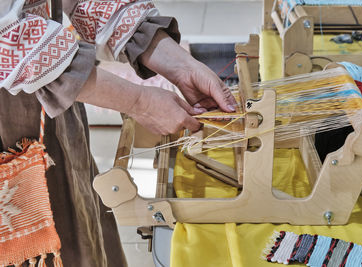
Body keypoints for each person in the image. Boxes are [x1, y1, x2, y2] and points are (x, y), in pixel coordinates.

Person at [0, 0, 236, 266]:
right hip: (14, 113)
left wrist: (181, 65)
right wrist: (139, 103)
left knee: (76, 219)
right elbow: (9, 40)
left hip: (51, 102)